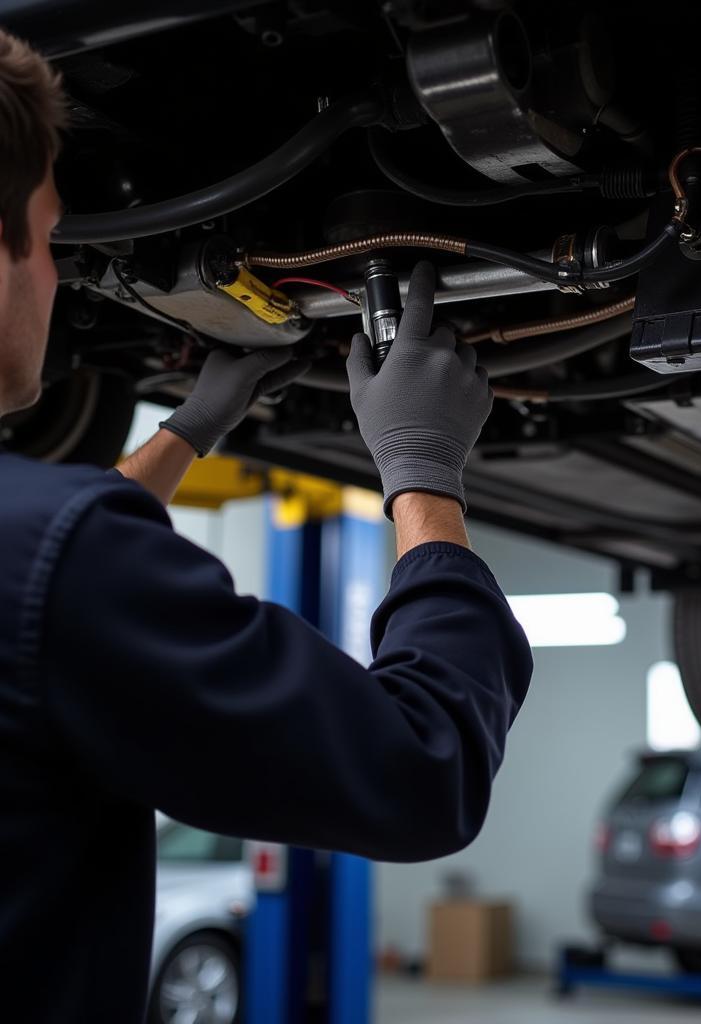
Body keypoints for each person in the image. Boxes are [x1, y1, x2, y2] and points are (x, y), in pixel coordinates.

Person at [0, 28, 532, 1022]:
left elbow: (41, 571)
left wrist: (191, 430)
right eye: (47, 232)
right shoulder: (54, 554)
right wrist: (423, 474)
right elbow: (424, 767)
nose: (55, 276)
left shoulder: (44, 551)